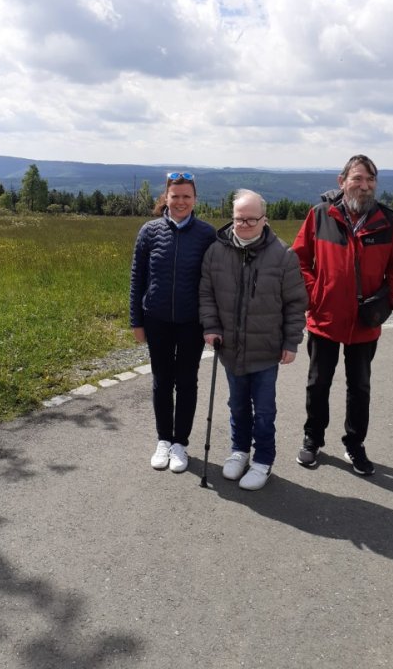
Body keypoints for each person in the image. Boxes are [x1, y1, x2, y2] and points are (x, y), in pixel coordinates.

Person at [292, 155, 393, 476]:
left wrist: (385, 302)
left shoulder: (388, 221)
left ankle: (355, 444)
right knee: (318, 383)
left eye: (371, 179)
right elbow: (299, 260)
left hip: (365, 323)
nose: (365, 185)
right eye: (358, 178)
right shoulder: (319, 216)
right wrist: (315, 294)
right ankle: (312, 438)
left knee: (359, 387)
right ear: (342, 181)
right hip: (324, 318)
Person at [199, 189, 308, 490]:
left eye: (251, 219)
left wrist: (291, 342)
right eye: (238, 219)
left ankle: (263, 460)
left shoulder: (283, 256)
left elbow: (296, 303)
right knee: (236, 405)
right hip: (230, 348)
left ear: (264, 219)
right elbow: (206, 293)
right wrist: (211, 326)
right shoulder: (215, 251)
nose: (244, 224)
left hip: (265, 350)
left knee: (264, 410)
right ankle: (239, 451)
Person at [130, 172, 216, 473]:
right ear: (166, 197)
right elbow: (137, 279)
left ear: (194, 200)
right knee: (161, 382)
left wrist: (212, 323)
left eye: (186, 197)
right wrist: (136, 322)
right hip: (157, 321)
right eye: (175, 196)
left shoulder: (207, 234)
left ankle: (181, 443)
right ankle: (163, 440)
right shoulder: (149, 231)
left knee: (187, 382)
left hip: (192, 323)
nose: (180, 201)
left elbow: (214, 282)